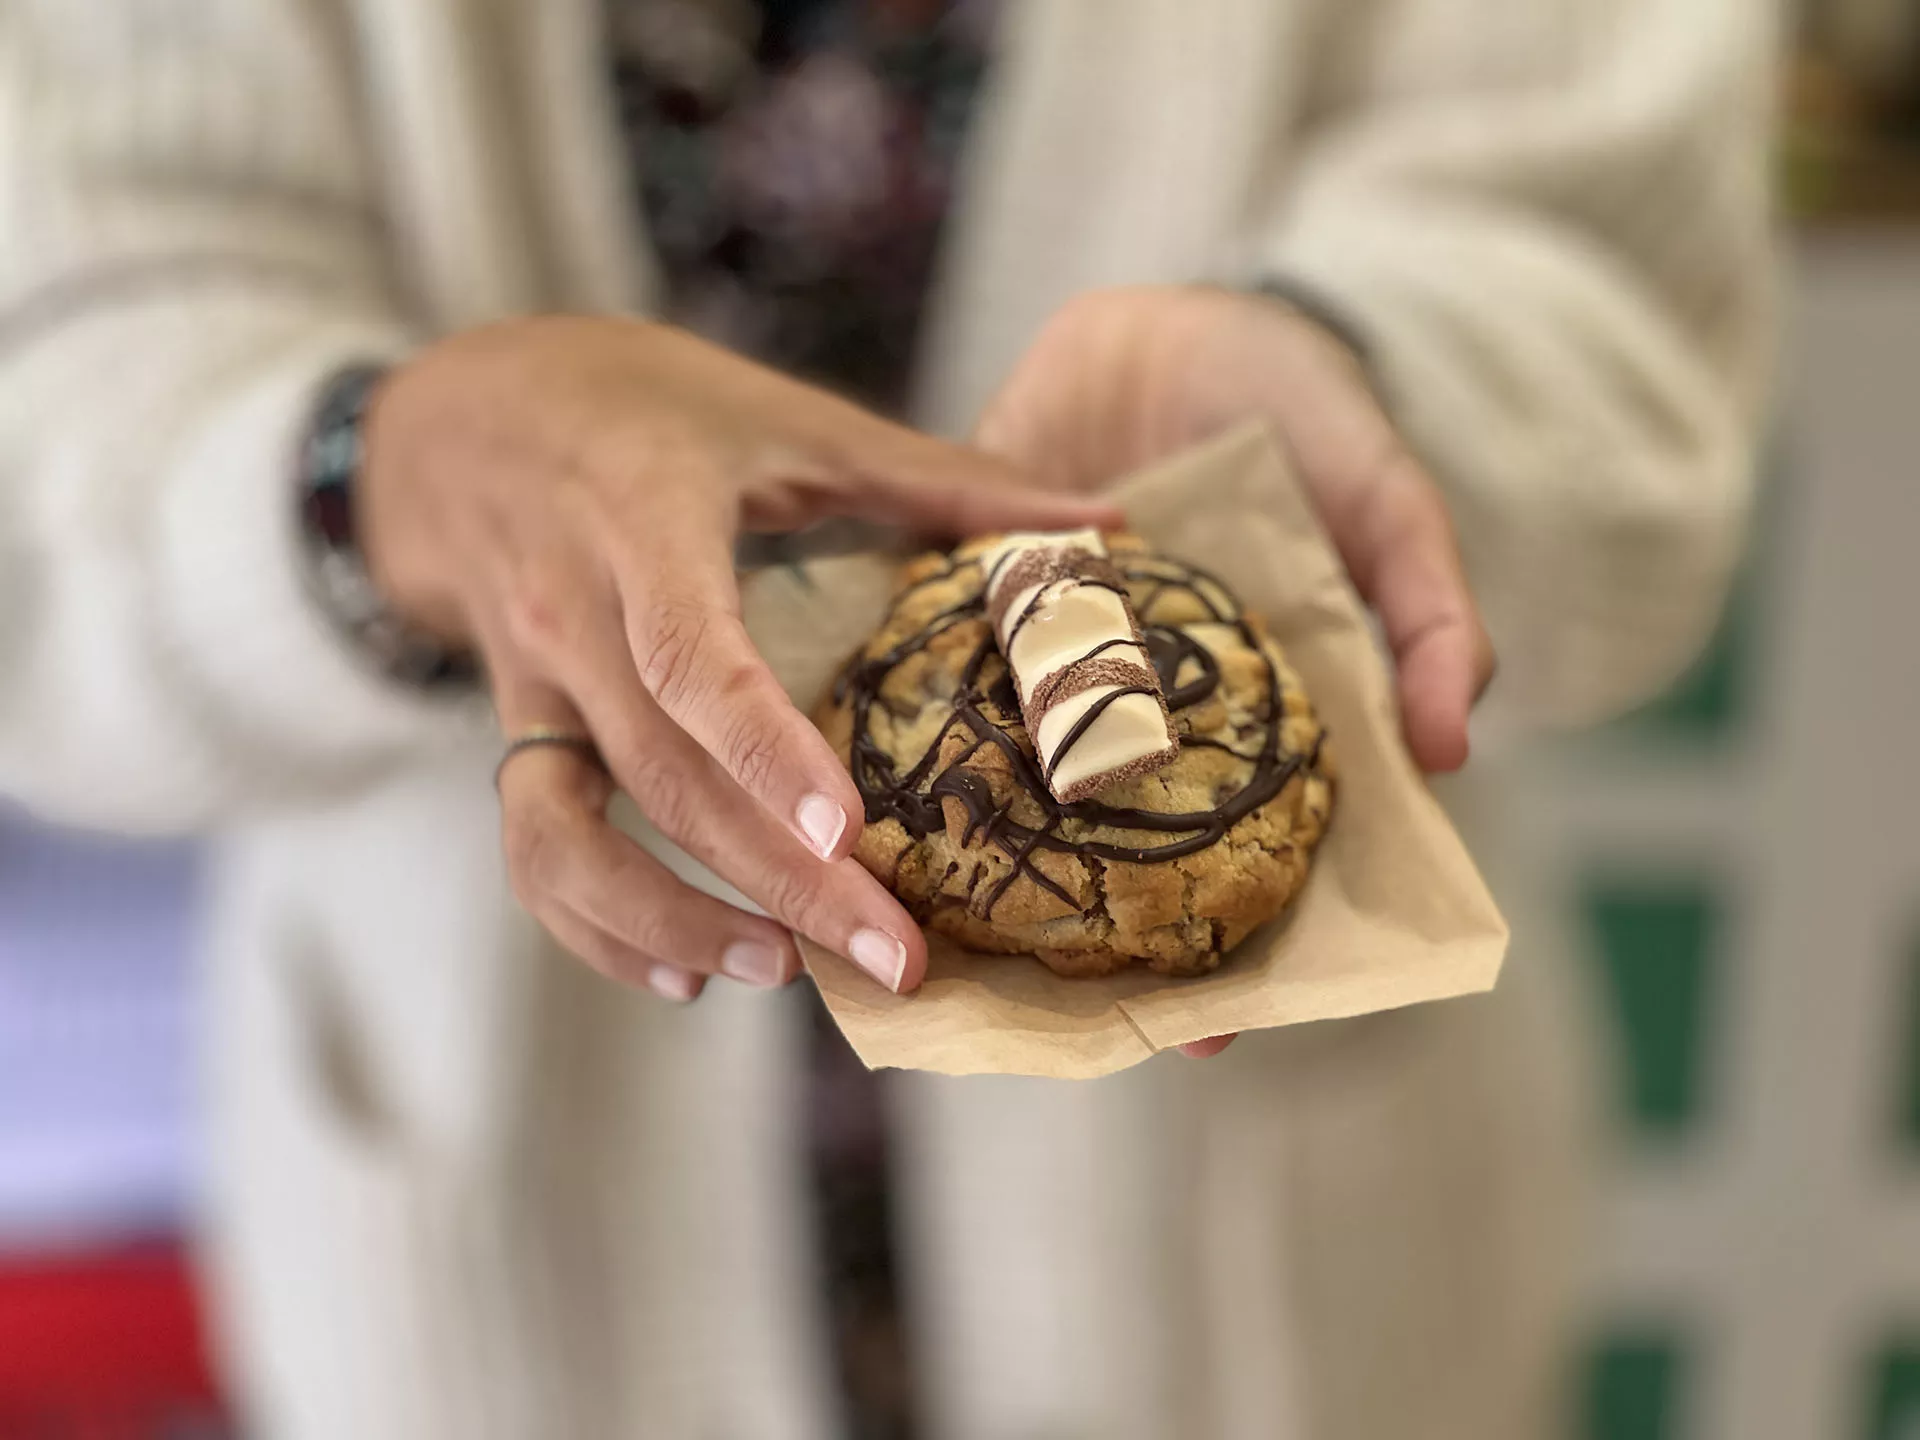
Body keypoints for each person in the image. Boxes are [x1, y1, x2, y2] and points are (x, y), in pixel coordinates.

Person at [0, 1, 1773, 1437]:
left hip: (1276, 1291)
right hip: (501, 1265)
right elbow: (66, 354)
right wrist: (372, 479)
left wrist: (1351, 381)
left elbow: (1602, 237)